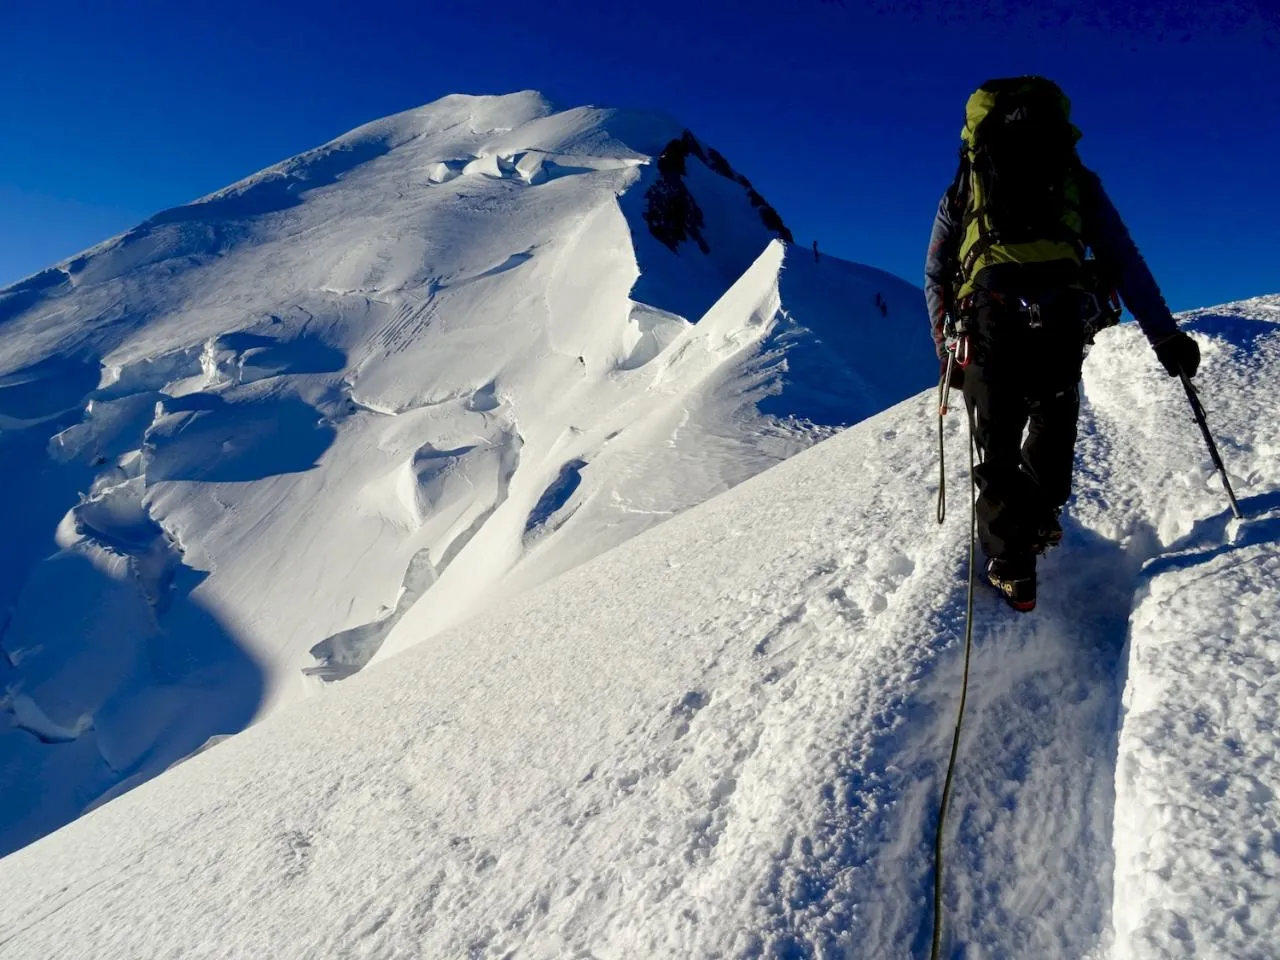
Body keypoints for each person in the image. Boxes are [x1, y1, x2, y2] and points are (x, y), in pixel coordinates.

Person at [924, 76, 1201, 612]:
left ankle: (1010, 566)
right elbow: (1123, 259)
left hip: (988, 320)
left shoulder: (964, 186)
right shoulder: (1075, 179)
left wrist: (946, 349)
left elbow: (936, 269)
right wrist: (1164, 334)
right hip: (1058, 319)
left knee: (996, 439)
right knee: (1053, 420)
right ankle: (1041, 516)